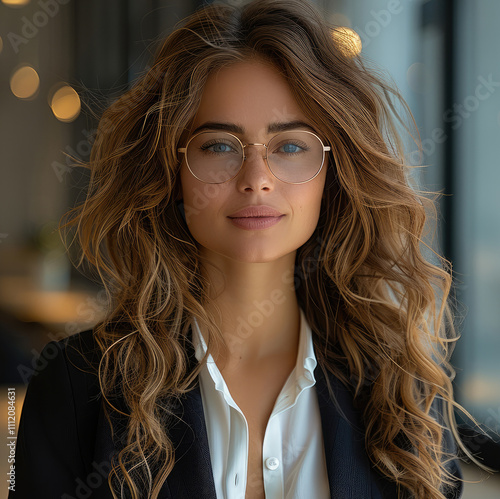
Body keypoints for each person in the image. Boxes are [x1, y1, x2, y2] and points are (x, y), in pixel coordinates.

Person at [10, 0, 487, 497]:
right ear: (171, 171)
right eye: (219, 146)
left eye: (290, 146)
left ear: (332, 173)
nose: (256, 181)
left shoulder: (404, 392)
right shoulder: (76, 387)